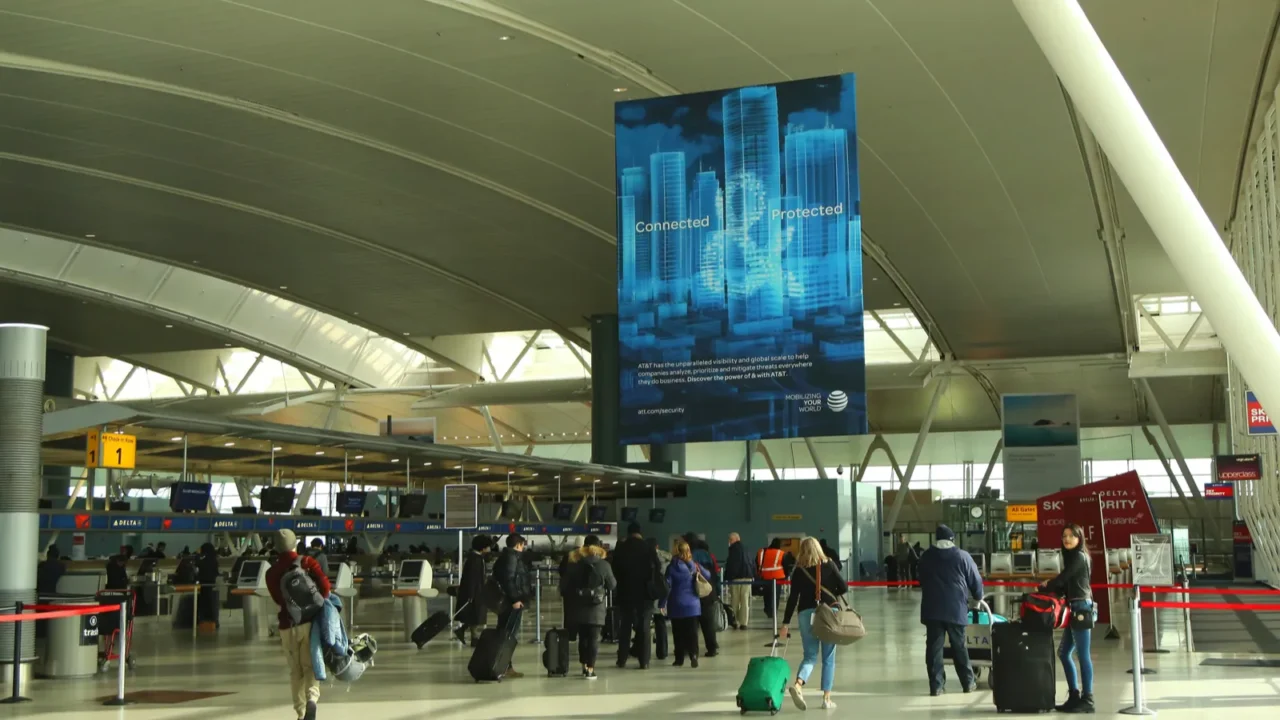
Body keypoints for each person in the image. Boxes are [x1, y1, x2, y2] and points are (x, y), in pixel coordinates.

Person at [265, 529, 330, 720]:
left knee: (296, 671)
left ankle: (301, 713)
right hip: (310, 623)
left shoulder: (271, 572)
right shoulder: (307, 562)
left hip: (288, 625)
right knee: (310, 667)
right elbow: (326, 589)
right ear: (296, 544)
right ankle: (312, 700)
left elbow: (278, 600)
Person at [779, 537, 847, 711]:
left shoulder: (799, 571)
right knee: (828, 658)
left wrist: (785, 623)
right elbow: (844, 587)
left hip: (805, 614)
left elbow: (792, 598)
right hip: (827, 614)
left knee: (810, 655)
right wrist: (831, 593)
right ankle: (826, 699)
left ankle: (799, 684)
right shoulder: (830, 565)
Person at [917, 525, 984, 696]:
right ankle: (968, 682)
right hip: (955, 609)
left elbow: (921, 579)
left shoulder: (926, 556)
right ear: (952, 539)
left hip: (932, 609)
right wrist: (978, 596)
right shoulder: (962, 556)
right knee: (959, 646)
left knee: (934, 648)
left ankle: (936, 686)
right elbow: (975, 581)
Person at [1041, 524, 1096, 714]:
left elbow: (1064, 578)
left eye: (1072, 536)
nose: (1067, 539)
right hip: (1073, 608)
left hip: (1081, 608)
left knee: (1082, 655)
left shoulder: (1080, 557)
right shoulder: (1072, 557)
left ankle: (1088, 699)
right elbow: (1066, 583)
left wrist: (1048, 585)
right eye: (1064, 536)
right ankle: (1074, 695)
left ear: (1079, 538)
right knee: (1064, 653)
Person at [560, 535, 617, 679]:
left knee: (583, 638)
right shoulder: (604, 565)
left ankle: (584, 665)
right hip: (596, 608)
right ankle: (591, 668)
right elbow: (612, 585)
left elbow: (564, 586)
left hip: (577, 606)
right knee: (593, 638)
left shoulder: (574, 563)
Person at [611, 523, 663, 669]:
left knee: (625, 627)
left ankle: (622, 659)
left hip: (625, 593)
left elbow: (614, 568)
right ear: (640, 533)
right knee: (645, 627)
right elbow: (657, 568)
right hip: (645, 594)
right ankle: (644, 661)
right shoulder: (648, 548)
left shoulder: (621, 548)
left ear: (628, 533)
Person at [661, 539, 709, 668]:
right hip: (693, 605)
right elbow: (708, 575)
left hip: (676, 604)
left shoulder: (672, 567)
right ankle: (693, 655)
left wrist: (662, 604)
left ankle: (679, 658)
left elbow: (667, 587)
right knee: (692, 632)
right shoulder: (694, 565)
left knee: (678, 633)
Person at [491, 533, 532, 679]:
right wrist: (515, 599)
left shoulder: (506, 557)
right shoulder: (512, 558)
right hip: (511, 603)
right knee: (508, 635)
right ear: (518, 545)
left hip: (507, 602)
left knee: (505, 633)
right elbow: (509, 580)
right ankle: (504, 666)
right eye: (522, 545)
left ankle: (502, 665)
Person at [686, 534, 720, 657]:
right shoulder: (710, 556)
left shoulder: (689, 557)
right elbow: (716, 574)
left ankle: (691, 650)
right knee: (708, 623)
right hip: (708, 591)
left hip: (693, 593)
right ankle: (712, 647)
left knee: (692, 623)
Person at [454, 535, 492, 645]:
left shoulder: (475, 558)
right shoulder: (476, 560)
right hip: (475, 591)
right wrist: (471, 594)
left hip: (475, 590)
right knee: (475, 614)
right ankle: (473, 637)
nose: (489, 549)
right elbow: (473, 578)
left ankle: (469, 634)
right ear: (483, 547)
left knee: (474, 614)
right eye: (488, 547)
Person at [724, 532, 753, 630]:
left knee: (735, 600)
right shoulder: (747, 548)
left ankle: (734, 621)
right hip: (747, 577)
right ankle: (744, 623)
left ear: (736, 539)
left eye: (730, 539)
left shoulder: (733, 549)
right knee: (745, 600)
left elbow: (732, 564)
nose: (729, 542)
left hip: (736, 578)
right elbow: (751, 562)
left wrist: (727, 577)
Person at [757, 539, 787, 620]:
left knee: (767, 595)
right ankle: (774, 611)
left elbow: (757, 563)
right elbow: (785, 565)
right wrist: (786, 576)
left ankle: (767, 610)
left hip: (765, 577)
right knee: (775, 596)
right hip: (778, 577)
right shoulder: (781, 553)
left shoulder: (762, 552)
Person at [196, 542, 222, 627]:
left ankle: (205, 619)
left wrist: (197, 555)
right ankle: (213, 620)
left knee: (205, 603)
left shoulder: (204, 560)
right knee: (210, 602)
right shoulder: (214, 560)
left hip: (204, 583)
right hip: (211, 583)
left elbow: (198, 564)